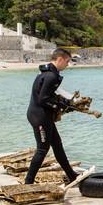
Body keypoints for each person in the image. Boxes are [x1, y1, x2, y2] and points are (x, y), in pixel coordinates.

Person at [23, 48, 78, 185]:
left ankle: (72, 175)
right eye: (67, 61)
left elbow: (49, 95)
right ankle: (28, 181)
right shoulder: (51, 76)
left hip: (42, 115)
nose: (67, 65)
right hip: (39, 117)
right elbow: (43, 99)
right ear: (59, 59)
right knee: (42, 149)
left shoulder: (48, 73)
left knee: (57, 146)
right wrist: (59, 106)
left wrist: (64, 103)